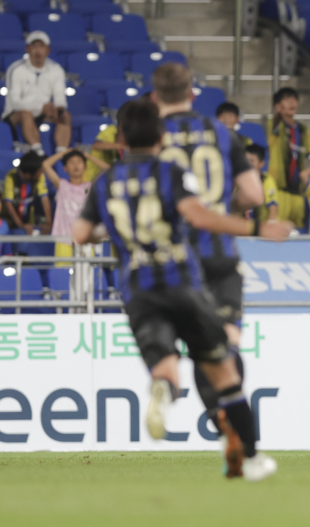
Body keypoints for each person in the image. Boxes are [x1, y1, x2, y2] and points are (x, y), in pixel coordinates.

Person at [73, 100, 282, 481]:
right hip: (182, 282)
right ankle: (252, 458)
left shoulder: (105, 182)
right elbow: (199, 216)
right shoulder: (170, 172)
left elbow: (80, 234)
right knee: (223, 372)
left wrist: (116, 229)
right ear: (161, 136)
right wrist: (256, 229)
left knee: (166, 367)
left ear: (120, 139)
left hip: (137, 290)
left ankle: (163, 391)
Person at [152, 63, 291, 478]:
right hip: (219, 255)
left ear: (157, 97)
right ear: (193, 94)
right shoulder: (222, 134)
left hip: (176, 258)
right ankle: (238, 432)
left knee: (198, 350)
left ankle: (222, 425)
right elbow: (250, 193)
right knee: (224, 345)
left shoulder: (152, 138)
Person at [2, 31, 71, 155]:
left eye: (41, 46)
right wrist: (40, 107)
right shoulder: (16, 69)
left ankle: (61, 153)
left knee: (64, 115)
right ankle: (37, 152)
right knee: (26, 114)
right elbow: (15, 102)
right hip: (14, 114)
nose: (38, 51)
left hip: (43, 112)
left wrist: (58, 109)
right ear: (27, 49)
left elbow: (60, 97)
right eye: (34, 47)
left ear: (48, 50)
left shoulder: (56, 69)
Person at [42, 148, 111, 262]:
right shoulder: (62, 186)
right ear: (65, 168)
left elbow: (109, 170)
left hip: (86, 239)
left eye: (79, 161)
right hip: (64, 239)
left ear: (85, 166)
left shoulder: (91, 187)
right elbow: (45, 164)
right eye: (71, 162)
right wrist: (64, 152)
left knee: (87, 278)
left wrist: (86, 155)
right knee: (62, 277)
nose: (76, 165)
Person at [267, 87, 310, 227]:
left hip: (297, 191)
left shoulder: (303, 130)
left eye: (294, 99)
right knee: (278, 231)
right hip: (279, 190)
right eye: (286, 99)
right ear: (277, 106)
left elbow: (308, 157)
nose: (292, 103)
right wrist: (278, 114)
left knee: (299, 232)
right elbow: (273, 127)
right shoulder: (275, 124)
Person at [2, 152, 52, 251]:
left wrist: (49, 222)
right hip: (10, 222)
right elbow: (8, 204)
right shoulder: (11, 176)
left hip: (29, 220)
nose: (41, 173)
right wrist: (21, 225)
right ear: (29, 174)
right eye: (39, 171)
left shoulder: (39, 177)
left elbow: (45, 199)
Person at [244, 144, 278, 222]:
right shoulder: (241, 181)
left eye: (251, 161)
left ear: (261, 163)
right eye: (245, 160)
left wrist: (268, 229)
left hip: (262, 230)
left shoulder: (266, 180)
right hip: (246, 230)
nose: (247, 164)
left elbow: (273, 209)